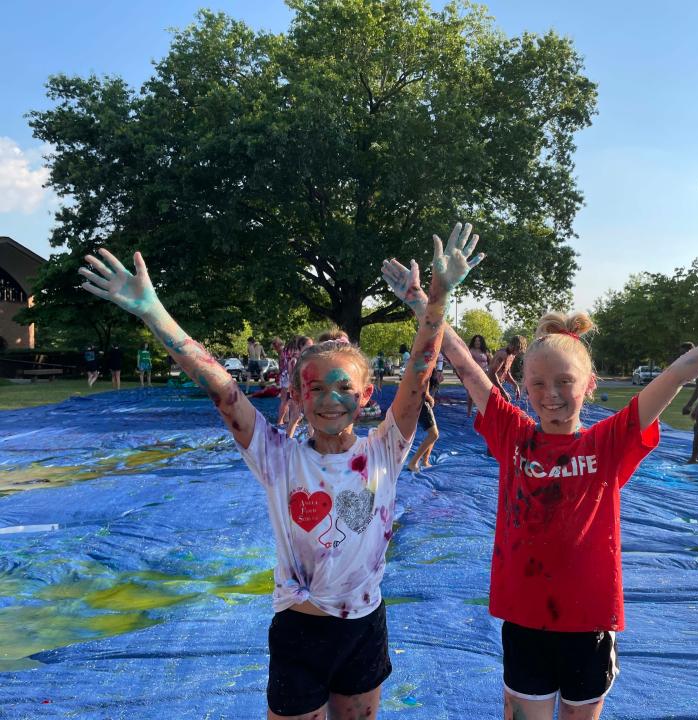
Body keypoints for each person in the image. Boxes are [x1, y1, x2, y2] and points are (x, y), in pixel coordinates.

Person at [384, 251, 698, 720]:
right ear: (523, 386)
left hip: (587, 623)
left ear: (589, 384)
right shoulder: (512, 433)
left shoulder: (610, 442)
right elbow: (465, 364)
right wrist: (425, 303)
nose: (550, 394)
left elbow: (681, 370)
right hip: (525, 620)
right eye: (538, 383)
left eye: (564, 382)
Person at [78, 222, 479, 720]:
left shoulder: (386, 449)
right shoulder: (278, 457)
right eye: (314, 390)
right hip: (300, 631)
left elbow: (420, 370)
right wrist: (153, 312)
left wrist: (435, 300)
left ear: (367, 397)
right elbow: (222, 389)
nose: (330, 401)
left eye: (344, 389)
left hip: (365, 629)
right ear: (296, 397)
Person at [407, 366, 442, 472]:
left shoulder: (432, 367)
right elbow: (423, 383)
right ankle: (413, 463)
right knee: (434, 434)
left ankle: (425, 460)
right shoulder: (426, 366)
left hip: (422, 402)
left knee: (434, 434)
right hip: (421, 402)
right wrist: (428, 396)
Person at [488, 336, 526, 402]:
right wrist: (503, 392)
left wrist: (515, 384)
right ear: (511, 344)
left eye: (519, 349)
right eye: (516, 348)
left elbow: (506, 372)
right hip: (488, 386)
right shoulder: (503, 354)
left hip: (496, 385)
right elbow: (491, 373)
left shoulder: (512, 355)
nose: (517, 351)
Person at [466, 335, 492, 416]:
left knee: (484, 394)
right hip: (474, 375)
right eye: (476, 341)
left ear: (482, 342)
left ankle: (482, 412)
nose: (477, 342)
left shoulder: (485, 351)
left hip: (485, 375)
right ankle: (469, 412)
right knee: (471, 394)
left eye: (479, 341)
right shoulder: (470, 351)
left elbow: (490, 362)